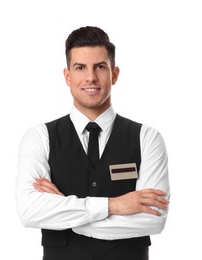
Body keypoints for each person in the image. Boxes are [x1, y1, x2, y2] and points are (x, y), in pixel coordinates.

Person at [16, 26, 170, 260]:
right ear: (68, 76)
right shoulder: (39, 137)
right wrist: (113, 205)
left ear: (114, 74)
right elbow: (30, 211)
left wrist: (67, 218)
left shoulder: (147, 138)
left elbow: (152, 219)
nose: (90, 77)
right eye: (80, 68)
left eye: (100, 66)